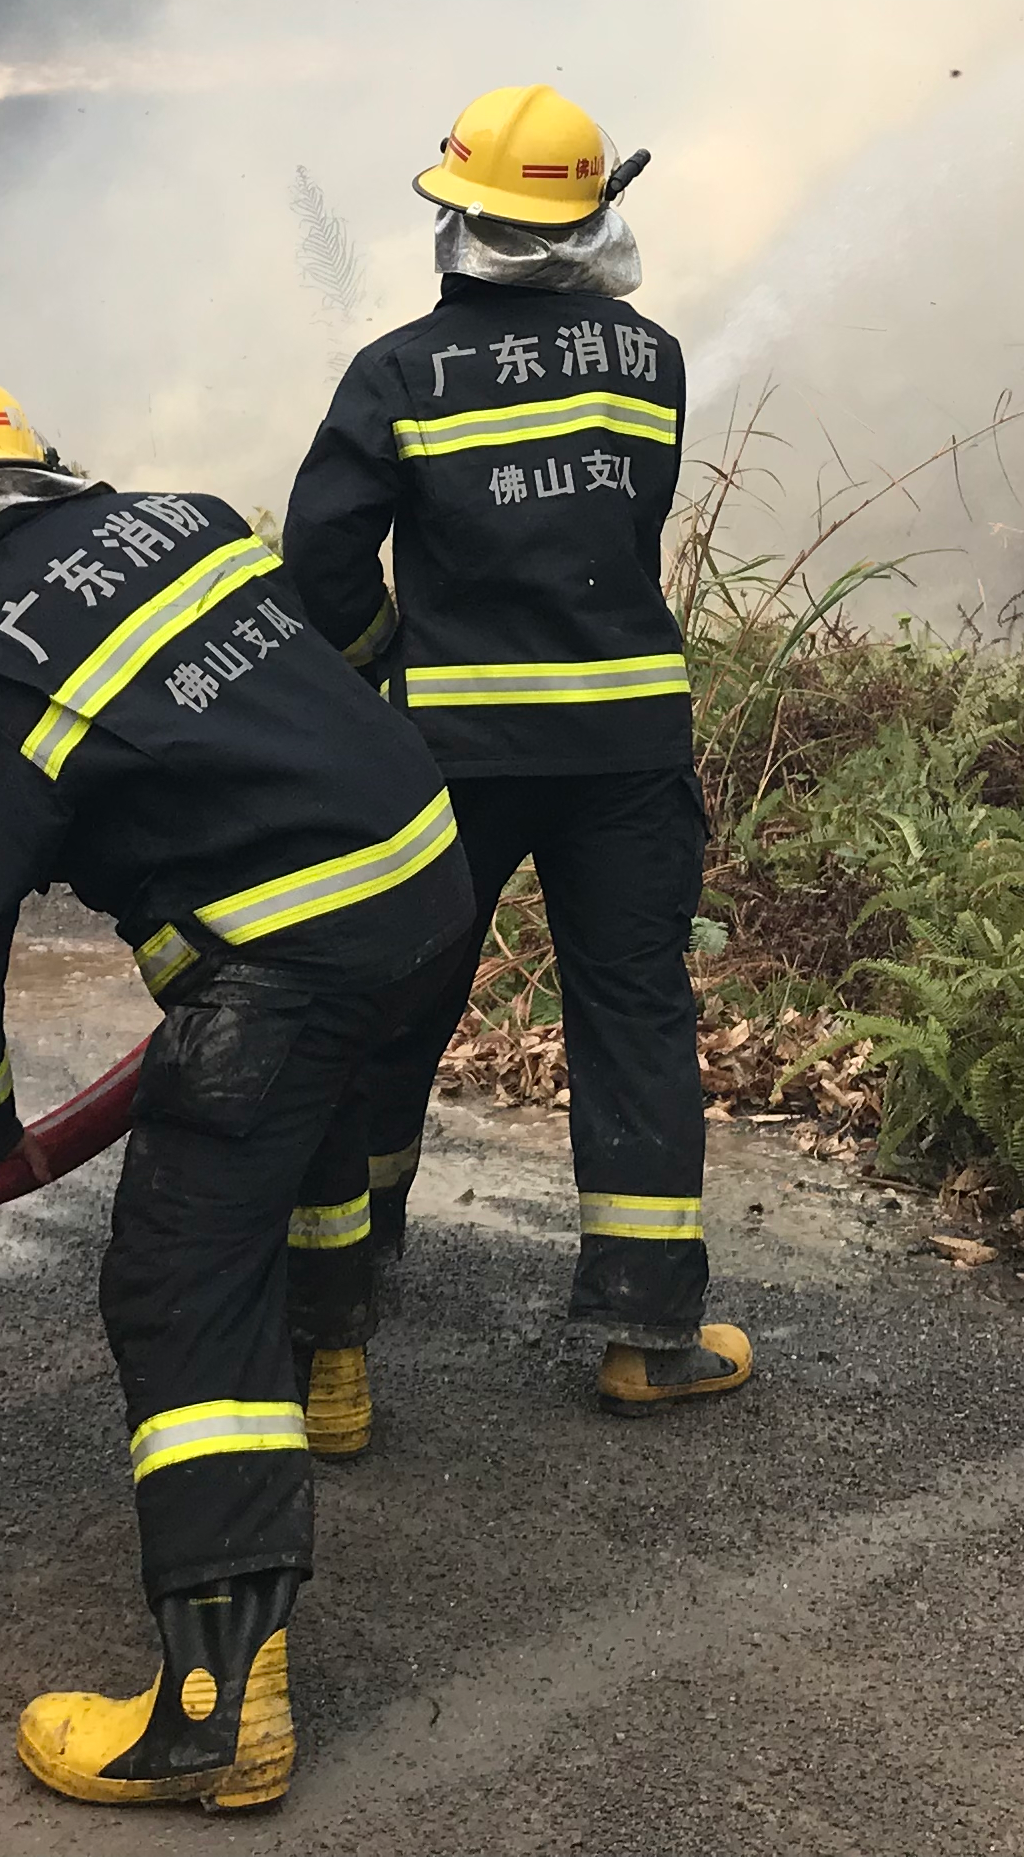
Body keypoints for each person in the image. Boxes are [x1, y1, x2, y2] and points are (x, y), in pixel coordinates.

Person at [0, 365, 472, 1814]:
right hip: (428, 881)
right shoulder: (178, 521)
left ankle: (213, 1711)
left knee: (181, 1286)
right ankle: (336, 1372)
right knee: (309, 1141)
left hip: (290, 960)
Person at [281, 81, 749, 1420]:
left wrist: (382, 656)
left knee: (387, 1014)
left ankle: (335, 1334)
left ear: (458, 222)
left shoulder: (395, 374)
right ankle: (646, 1333)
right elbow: (630, 523)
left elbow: (317, 560)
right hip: (624, 750)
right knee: (634, 1013)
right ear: (588, 223)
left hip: (451, 753)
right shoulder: (650, 360)